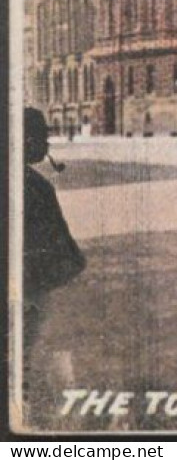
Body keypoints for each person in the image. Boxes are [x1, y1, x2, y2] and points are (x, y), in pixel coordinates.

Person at [23, 107, 85, 359]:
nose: (47, 144)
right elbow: (58, 251)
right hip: (32, 290)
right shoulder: (36, 187)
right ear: (28, 141)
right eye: (43, 137)